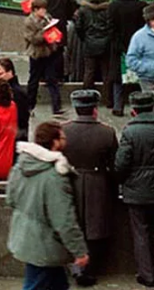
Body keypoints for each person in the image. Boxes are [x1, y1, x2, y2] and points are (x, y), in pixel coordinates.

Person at [6, 121, 89, 290]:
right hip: (45, 244)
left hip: (25, 236)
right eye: (63, 138)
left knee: (58, 284)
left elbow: (10, 199)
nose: (66, 141)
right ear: (55, 142)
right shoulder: (54, 176)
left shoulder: (21, 165)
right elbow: (63, 218)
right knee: (36, 284)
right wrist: (79, 250)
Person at [114, 91, 154, 288]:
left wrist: (124, 180)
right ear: (152, 107)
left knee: (140, 233)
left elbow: (121, 164)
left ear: (134, 110)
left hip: (135, 191)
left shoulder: (129, 132)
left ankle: (147, 275)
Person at [61, 90, 118, 287]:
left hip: (71, 181)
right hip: (98, 184)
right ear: (95, 109)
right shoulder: (107, 132)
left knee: (74, 225)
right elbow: (114, 164)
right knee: (95, 230)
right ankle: (89, 269)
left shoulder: (64, 130)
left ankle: (76, 268)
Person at [75, 0, 121, 110]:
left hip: (89, 42)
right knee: (106, 73)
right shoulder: (110, 8)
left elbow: (79, 27)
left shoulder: (84, 8)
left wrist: (85, 38)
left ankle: (86, 99)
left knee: (89, 72)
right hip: (106, 43)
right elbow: (112, 26)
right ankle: (108, 101)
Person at [22, 0, 63, 115]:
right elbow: (32, 39)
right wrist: (44, 33)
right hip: (36, 53)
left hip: (49, 52)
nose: (44, 11)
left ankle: (57, 106)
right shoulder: (29, 22)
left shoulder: (47, 17)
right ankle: (30, 105)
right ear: (35, 10)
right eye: (42, 9)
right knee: (34, 80)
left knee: (52, 79)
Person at [0, 58, 31, 139]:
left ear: (10, 73)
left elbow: (21, 119)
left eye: (0, 74)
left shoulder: (17, 94)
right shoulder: (1, 91)